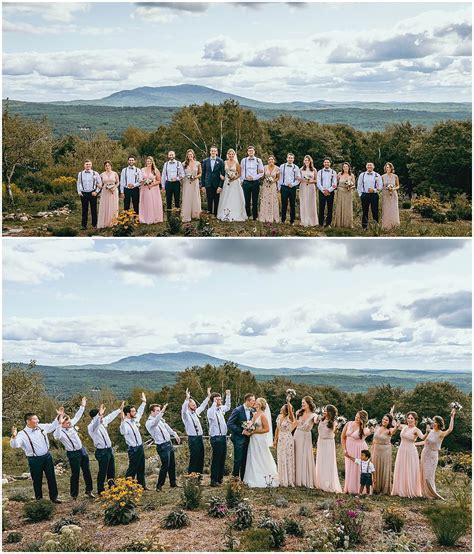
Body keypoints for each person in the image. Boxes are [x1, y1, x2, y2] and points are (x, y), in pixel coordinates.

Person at [10, 408, 63, 503]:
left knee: (51, 478)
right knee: (37, 480)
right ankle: (39, 500)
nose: (38, 421)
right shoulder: (22, 434)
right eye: (35, 419)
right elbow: (15, 445)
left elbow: (53, 425)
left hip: (47, 457)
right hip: (34, 460)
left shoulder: (41, 427)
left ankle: (54, 498)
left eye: (37, 419)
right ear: (28, 421)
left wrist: (59, 416)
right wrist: (14, 436)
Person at [53, 397, 94, 499]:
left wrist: (83, 405)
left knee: (87, 471)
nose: (70, 423)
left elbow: (78, 415)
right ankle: (74, 495)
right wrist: (59, 421)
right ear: (62, 424)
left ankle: (89, 491)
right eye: (67, 423)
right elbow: (56, 435)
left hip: (82, 450)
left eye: (70, 422)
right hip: (73, 454)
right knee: (75, 474)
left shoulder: (71, 424)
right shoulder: (59, 432)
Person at [416, 409, 456, 500]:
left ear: (439, 423)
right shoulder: (430, 431)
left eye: (435, 422)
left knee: (429, 475)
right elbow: (424, 442)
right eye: (433, 421)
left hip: (433, 455)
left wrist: (452, 417)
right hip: (425, 453)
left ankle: (431, 493)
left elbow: (450, 429)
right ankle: (424, 493)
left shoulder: (441, 434)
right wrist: (413, 444)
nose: (433, 423)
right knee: (422, 473)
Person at [88, 400, 124, 494]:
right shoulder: (92, 427)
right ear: (95, 417)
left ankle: (112, 486)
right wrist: (99, 415)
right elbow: (96, 423)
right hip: (101, 451)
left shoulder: (103, 422)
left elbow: (110, 416)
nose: (102, 416)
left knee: (111, 469)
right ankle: (100, 490)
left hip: (109, 450)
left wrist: (119, 410)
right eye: (99, 415)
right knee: (102, 471)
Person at [243, 398, 279, 488]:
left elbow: (267, 429)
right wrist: (248, 428)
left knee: (261, 456)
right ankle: (252, 477)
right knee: (253, 457)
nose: (254, 403)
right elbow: (252, 425)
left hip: (260, 439)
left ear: (259, 405)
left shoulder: (262, 415)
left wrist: (254, 431)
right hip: (253, 439)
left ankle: (264, 477)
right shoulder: (254, 414)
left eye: (256, 402)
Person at [145, 403, 181, 492]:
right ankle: (159, 486)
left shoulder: (160, 419)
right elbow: (155, 422)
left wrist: (175, 434)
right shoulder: (149, 422)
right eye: (157, 410)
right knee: (165, 465)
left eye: (159, 410)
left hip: (168, 443)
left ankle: (173, 483)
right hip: (162, 446)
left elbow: (167, 427)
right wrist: (162, 412)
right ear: (152, 412)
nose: (159, 412)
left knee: (172, 464)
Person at [391, 411, 425, 498]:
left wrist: (428, 431)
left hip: (410, 451)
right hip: (402, 450)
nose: (409, 420)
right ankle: (400, 489)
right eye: (408, 418)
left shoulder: (416, 430)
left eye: (411, 418)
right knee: (401, 468)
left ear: (415, 420)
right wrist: (392, 413)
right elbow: (394, 423)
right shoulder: (404, 427)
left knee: (410, 469)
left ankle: (410, 490)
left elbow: (423, 437)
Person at [181, 387, 211, 474]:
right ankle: (191, 475)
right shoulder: (185, 415)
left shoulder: (196, 412)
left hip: (199, 437)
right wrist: (187, 398)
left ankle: (199, 474)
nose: (195, 406)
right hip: (193, 438)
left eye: (195, 405)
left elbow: (202, 406)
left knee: (201, 456)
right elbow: (183, 410)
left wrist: (208, 396)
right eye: (193, 405)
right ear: (188, 406)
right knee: (194, 457)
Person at [120, 392, 147, 488]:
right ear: (127, 413)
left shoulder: (135, 420)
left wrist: (144, 402)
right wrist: (122, 420)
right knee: (132, 469)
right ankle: (128, 487)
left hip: (140, 447)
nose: (135, 413)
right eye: (133, 411)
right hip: (133, 449)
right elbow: (123, 432)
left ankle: (141, 486)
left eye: (134, 411)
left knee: (141, 467)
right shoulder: (125, 424)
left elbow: (140, 412)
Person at [341, 410, 372, 494]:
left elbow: (368, 432)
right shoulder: (349, 423)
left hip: (359, 449)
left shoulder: (364, 428)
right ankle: (348, 488)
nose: (356, 419)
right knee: (349, 467)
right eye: (356, 417)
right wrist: (344, 449)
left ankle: (359, 490)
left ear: (363, 419)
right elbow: (343, 437)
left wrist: (369, 429)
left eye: (359, 418)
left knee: (358, 468)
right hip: (349, 448)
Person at [227, 393, 256, 480]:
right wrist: (242, 431)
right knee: (238, 459)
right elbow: (230, 424)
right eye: (253, 400)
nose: (254, 402)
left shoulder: (253, 411)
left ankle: (244, 478)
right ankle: (235, 479)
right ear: (247, 401)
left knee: (245, 459)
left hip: (249, 439)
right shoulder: (237, 410)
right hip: (238, 438)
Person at [314, 405, 342, 493]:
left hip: (328, 443)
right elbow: (315, 420)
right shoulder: (321, 419)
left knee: (328, 463)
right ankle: (320, 483)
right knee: (320, 461)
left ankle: (328, 484)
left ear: (330, 412)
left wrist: (337, 425)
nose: (324, 412)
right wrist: (317, 415)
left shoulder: (333, 422)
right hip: (321, 442)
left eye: (325, 411)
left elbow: (334, 432)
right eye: (323, 410)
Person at [207, 390, 231, 487]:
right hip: (215, 438)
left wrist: (228, 395)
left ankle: (220, 478)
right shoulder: (210, 411)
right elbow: (212, 414)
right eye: (219, 399)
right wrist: (214, 403)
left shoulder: (221, 409)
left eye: (221, 399)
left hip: (223, 437)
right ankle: (213, 480)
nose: (221, 401)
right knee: (216, 459)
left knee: (222, 458)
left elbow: (228, 406)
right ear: (214, 400)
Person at [372, 409, 398, 495]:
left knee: (384, 468)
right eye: (383, 419)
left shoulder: (389, 430)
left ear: (389, 422)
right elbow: (373, 439)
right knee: (375, 467)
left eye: (386, 420)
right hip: (376, 449)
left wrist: (397, 426)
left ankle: (384, 489)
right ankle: (375, 488)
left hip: (385, 451)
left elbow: (393, 431)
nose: (384, 421)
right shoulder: (377, 427)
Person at [217, 149, 247, 221]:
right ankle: (224, 213)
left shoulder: (236, 164)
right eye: (229, 154)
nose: (231, 155)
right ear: (228, 155)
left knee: (234, 197)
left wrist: (234, 178)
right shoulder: (224, 162)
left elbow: (240, 173)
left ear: (234, 155)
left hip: (234, 183)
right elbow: (220, 171)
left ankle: (234, 213)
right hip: (226, 182)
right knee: (225, 197)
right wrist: (221, 175)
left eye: (232, 154)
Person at [294, 396, 317, 488]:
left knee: (304, 455)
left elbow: (316, 421)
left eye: (304, 403)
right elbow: (295, 424)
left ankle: (304, 479)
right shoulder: (298, 413)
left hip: (306, 436)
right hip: (297, 434)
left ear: (309, 404)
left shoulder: (313, 415)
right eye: (302, 403)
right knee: (296, 454)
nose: (302, 404)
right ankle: (295, 478)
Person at [273, 400, 295, 487]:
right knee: (281, 456)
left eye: (283, 407)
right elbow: (277, 429)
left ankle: (288, 480)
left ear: (286, 410)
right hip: (281, 439)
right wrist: (275, 440)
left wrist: (288, 401)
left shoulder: (290, 418)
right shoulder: (279, 416)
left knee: (287, 457)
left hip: (288, 439)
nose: (281, 408)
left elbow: (290, 412)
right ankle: (281, 478)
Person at [240, 145, 264, 221]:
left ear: (254, 152)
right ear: (247, 152)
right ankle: (247, 215)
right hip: (246, 182)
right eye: (249, 151)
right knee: (246, 200)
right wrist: (243, 180)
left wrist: (253, 178)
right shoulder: (244, 160)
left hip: (255, 182)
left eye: (252, 151)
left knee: (255, 200)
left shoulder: (258, 160)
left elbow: (262, 172)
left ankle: (255, 217)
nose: (251, 152)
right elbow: (242, 171)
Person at [77, 159, 102, 230]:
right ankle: (83, 225)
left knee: (94, 209)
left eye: (89, 164)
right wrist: (79, 192)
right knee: (84, 210)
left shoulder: (95, 173)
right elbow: (78, 183)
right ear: (84, 165)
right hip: (84, 193)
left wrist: (96, 192)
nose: (88, 165)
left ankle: (94, 224)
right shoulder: (80, 174)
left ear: (91, 165)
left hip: (92, 193)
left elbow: (100, 183)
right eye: (86, 164)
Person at [357, 162, 383, 229]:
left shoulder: (377, 175)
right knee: (365, 211)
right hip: (365, 195)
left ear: (373, 167)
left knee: (375, 210)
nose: (369, 166)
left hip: (374, 195)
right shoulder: (362, 175)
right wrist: (361, 195)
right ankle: (364, 227)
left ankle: (375, 226)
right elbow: (359, 185)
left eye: (371, 165)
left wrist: (374, 190)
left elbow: (380, 186)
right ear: (366, 167)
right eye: (368, 165)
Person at [201, 145, 225, 216]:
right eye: (212, 151)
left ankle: (215, 214)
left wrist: (220, 186)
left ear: (217, 152)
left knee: (217, 199)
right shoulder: (205, 161)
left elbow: (223, 174)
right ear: (210, 152)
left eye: (214, 151)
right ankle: (209, 213)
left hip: (217, 183)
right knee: (209, 199)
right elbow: (203, 174)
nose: (213, 152)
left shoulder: (220, 161)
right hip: (208, 183)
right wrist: (203, 185)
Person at [139, 156, 163, 224]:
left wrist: (152, 185)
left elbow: (159, 181)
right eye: (147, 161)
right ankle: (145, 218)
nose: (148, 163)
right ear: (146, 162)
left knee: (153, 203)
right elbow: (140, 180)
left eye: (150, 161)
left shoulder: (155, 170)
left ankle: (154, 218)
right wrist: (144, 181)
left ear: (152, 162)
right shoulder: (142, 170)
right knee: (146, 202)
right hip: (145, 189)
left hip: (153, 189)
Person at [278, 153, 301, 225]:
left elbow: (298, 179)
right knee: (284, 204)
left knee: (292, 204)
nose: (290, 159)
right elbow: (279, 177)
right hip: (284, 187)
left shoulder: (296, 167)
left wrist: (293, 184)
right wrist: (279, 187)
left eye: (291, 158)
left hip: (292, 188)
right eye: (289, 158)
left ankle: (292, 221)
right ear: (286, 158)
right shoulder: (282, 166)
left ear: (293, 159)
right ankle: (283, 220)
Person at [181, 149, 202, 222]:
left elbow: (200, 173)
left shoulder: (198, 163)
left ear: (193, 155)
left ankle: (195, 214)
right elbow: (181, 174)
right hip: (187, 182)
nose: (190, 156)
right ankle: (187, 214)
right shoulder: (183, 164)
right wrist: (186, 177)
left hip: (195, 182)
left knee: (195, 197)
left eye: (191, 154)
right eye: (189, 154)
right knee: (187, 197)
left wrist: (195, 177)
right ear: (187, 155)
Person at [98, 160, 120, 229]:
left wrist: (114, 187)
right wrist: (100, 186)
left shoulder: (115, 173)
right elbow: (100, 183)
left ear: (111, 166)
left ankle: (113, 222)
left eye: (108, 165)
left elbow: (118, 182)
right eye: (106, 166)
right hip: (105, 191)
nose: (107, 167)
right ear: (104, 167)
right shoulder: (102, 174)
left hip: (113, 191)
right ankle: (104, 222)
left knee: (113, 206)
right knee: (105, 205)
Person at [258, 155, 280, 223]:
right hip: (266, 185)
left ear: (274, 160)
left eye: (272, 159)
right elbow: (262, 176)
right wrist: (259, 173)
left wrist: (273, 181)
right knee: (265, 199)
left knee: (272, 200)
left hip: (273, 186)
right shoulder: (264, 167)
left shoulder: (277, 168)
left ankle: (272, 217)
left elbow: (278, 178)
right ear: (268, 161)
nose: (271, 161)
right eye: (269, 159)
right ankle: (263, 216)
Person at [316, 158, 337, 227]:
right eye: (325, 162)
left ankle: (328, 224)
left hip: (330, 192)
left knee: (330, 208)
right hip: (322, 192)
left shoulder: (333, 172)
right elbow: (318, 183)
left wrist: (328, 190)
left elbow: (335, 184)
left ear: (330, 163)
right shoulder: (320, 172)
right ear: (323, 163)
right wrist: (323, 190)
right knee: (321, 208)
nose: (326, 163)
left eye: (328, 162)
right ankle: (320, 223)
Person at [334, 162, 355, 228]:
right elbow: (335, 183)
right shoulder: (339, 174)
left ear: (349, 167)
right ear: (342, 168)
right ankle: (339, 224)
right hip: (340, 192)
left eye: (346, 166)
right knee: (340, 206)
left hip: (348, 192)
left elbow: (354, 185)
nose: (345, 168)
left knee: (347, 207)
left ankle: (348, 224)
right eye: (344, 166)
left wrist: (350, 187)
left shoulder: (351, 175)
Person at [300, 155, 318, 226]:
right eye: (305, 160)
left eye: (308, 160)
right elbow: (298, 178)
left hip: (311, 187)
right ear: (304, 161)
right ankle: (304, 221)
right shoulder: (301, 169)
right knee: (304, 202)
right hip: (303, 187)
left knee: (311, 203)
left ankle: (312, 221)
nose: (307, 161)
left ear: (310, 161)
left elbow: (316, 180)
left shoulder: (314, 170)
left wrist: (311, 181)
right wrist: (303, 180)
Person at [381, 162, 401, 230]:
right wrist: (386, 188)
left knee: (393, 209)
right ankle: (386, 225)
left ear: (391, 168)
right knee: (386, 209)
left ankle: (395, 225)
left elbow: (398, 186)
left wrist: (393, 188)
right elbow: (381, 186)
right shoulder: (382, 176)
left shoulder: (395, 176)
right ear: (385, 168)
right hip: (386, 194)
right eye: (387, 167)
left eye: (389, 167)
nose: (388, 168)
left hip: (393, 194)